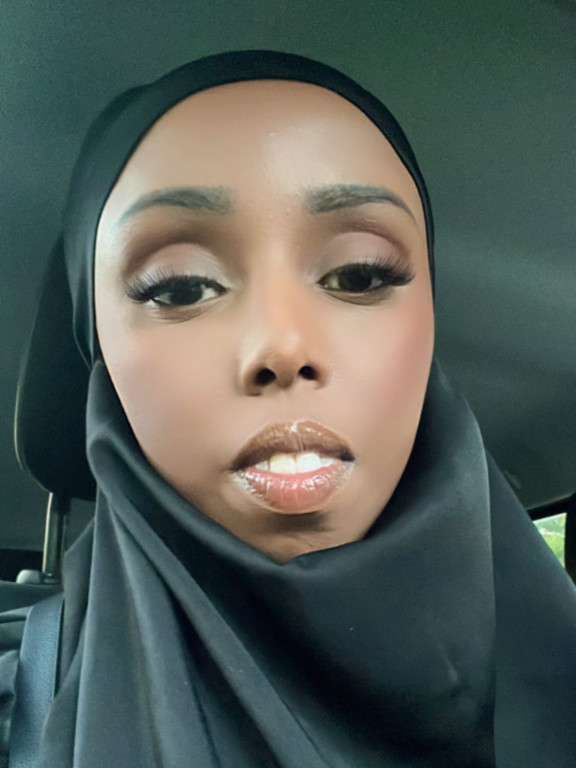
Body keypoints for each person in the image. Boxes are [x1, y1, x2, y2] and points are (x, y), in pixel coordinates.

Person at [1, 49, 576, 767]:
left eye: (360, 275)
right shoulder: (21, 705)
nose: (282, 345)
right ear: (100, 353)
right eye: (180, 287)